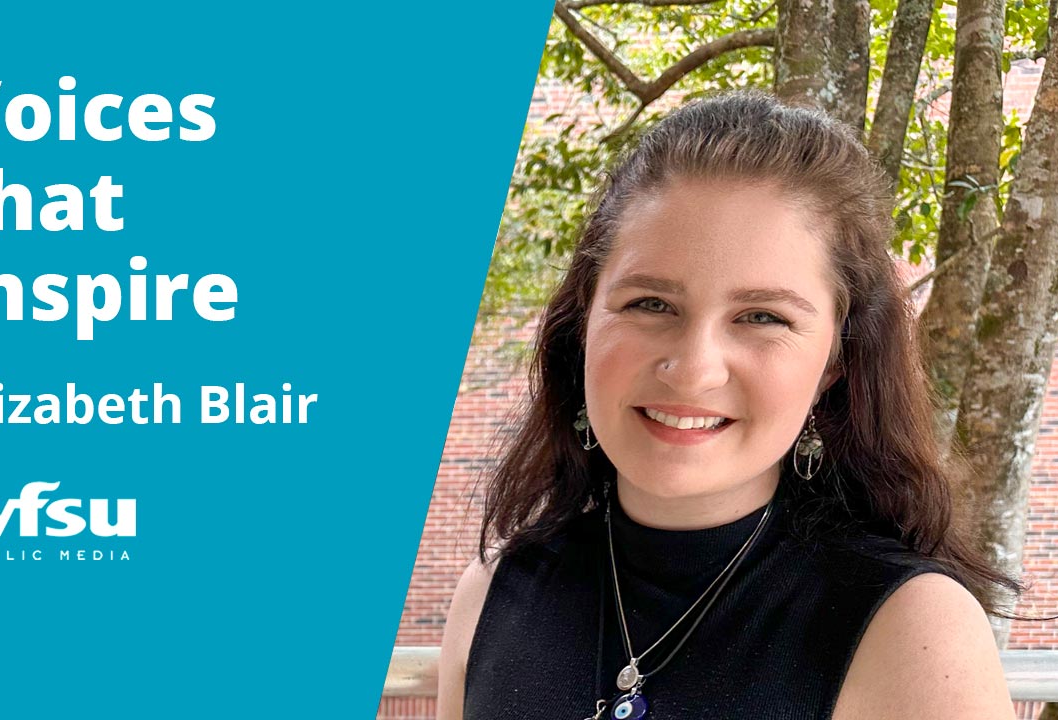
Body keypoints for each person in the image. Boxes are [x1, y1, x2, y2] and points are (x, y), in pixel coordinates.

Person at [436, 92, 1021, 720]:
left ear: (834, 364)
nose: (693, 368)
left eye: (762, 317)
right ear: (584, 325)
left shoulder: (912, 631)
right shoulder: (493, 594)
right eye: (651, 304)